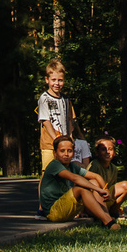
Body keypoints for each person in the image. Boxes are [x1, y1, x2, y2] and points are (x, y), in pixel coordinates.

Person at [40, 135, 127, 227]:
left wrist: (105, 190)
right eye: (62, 151)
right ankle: (108, 222)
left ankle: (107, 216)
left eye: (69, 151)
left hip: (66, 210)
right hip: (53, 212)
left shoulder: (72, 166)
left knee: (93, 182)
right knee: (80, 189)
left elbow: (96, 176)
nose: (66, 154)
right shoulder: (54, 165)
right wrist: (99, 190)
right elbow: (75, 178)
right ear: (55, 153)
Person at [37, 57, 75, 188]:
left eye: (60, 80)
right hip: (50, 143)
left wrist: (70, 137)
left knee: (63, 172)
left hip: (64, 143)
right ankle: (43, 205)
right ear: (47, 80)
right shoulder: (44, 98)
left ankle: (61, 201)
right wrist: (55, 139)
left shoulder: (65, 99)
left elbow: (70, 120)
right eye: (53, 80)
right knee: (47, 172)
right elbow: (45, 121)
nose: (57, 83)